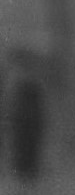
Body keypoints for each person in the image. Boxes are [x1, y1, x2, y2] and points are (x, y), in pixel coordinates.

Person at [3, 47, 46, 181]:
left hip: (27, 124)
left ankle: (25, 180)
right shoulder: (19, 85)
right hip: (23, 124)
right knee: (22, 157)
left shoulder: (26, 86)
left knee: (27, 157)